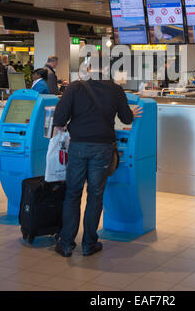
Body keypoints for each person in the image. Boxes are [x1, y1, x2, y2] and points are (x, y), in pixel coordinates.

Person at [53, 58, 143, 258]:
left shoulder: (75, 87)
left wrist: (64, 124)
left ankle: (67, 244)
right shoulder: (115, 89)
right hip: (103, 148)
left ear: (90, 69)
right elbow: (126, 118)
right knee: (95, 195)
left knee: (73, 194)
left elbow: (59, 118)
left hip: (78, 147)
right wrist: (132, 112)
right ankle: (89, 244)